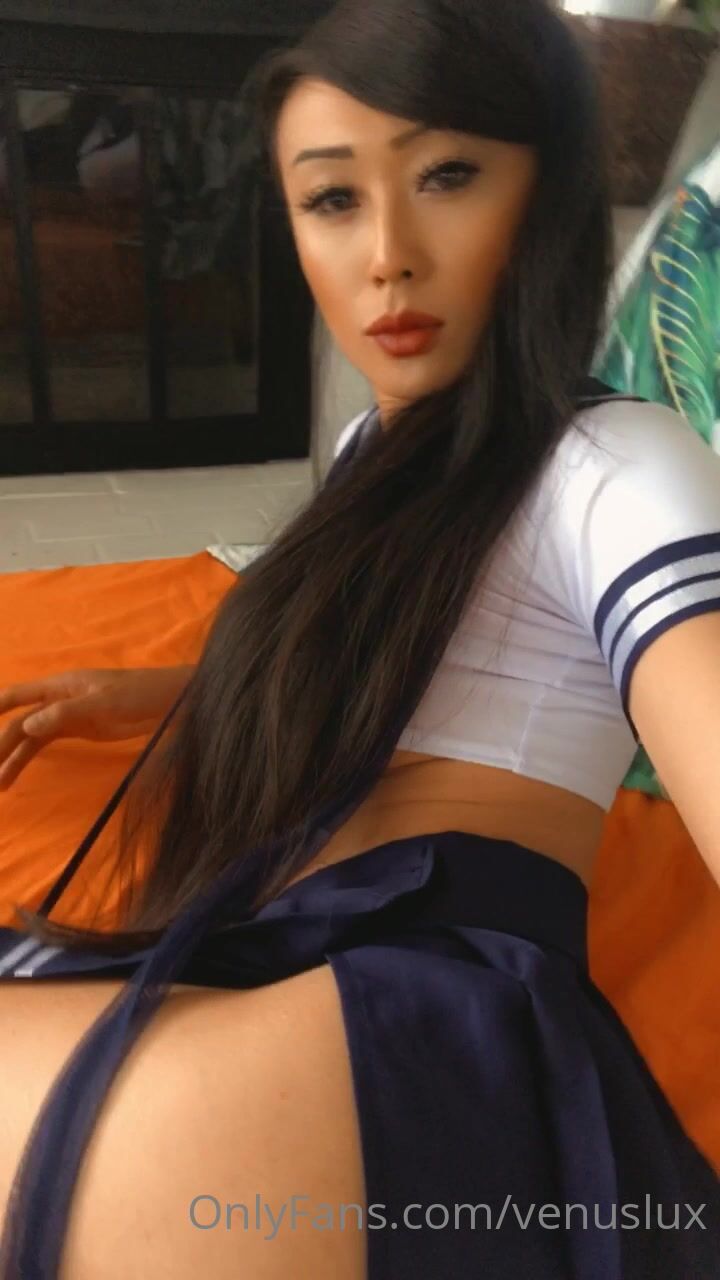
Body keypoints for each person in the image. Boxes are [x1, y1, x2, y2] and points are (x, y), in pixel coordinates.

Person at [0, 0, 719, 1276]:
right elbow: (395, 672)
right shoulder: (367, 457)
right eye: (333, 198)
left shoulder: (613, 459)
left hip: (415, 1006)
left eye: (446, 177)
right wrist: (150, 688)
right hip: (281, 964)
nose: (388, 256)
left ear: (545, 196)